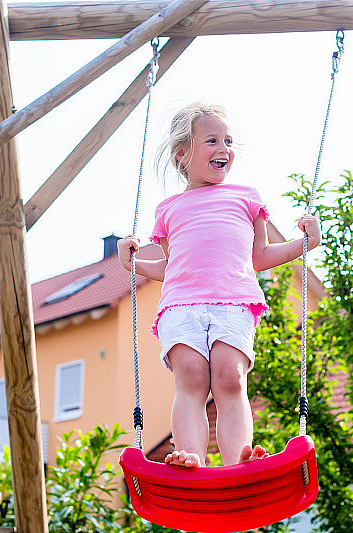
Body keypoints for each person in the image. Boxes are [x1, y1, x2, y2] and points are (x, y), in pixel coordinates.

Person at [118, 103, 321, 468]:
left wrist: (307, 243)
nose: (224, 148)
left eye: (228, 140)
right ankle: (191, 458)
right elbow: (173, 266)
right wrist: (131, 264)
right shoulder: (169, 209)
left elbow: (260, 256)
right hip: (182, 306)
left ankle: (238, 459)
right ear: (182, 154)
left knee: (230, 379)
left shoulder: (246, 197)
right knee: (192, 380)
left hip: (233, 302)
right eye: (211, 140)